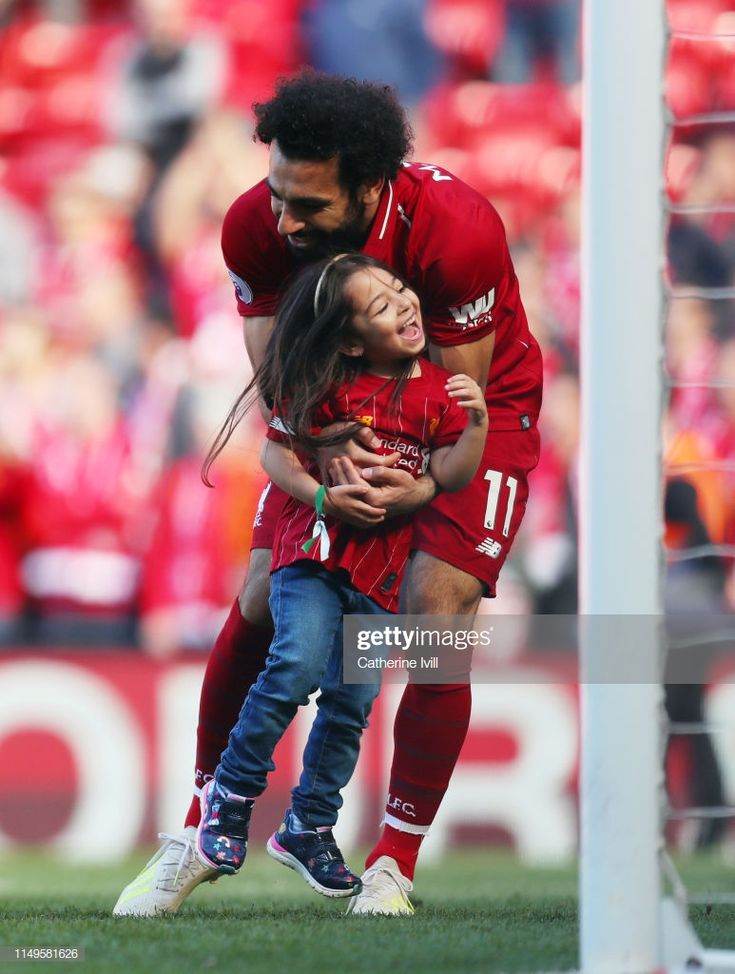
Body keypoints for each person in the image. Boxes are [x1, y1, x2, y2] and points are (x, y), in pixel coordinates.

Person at [113, 70, 542, 918]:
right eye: (277, 194)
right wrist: (319, 462)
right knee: (265, 594)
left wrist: (400, 488)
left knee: (432, 612)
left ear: (370, 188)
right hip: (331, 410)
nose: (283, 219)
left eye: (307, 206)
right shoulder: (254, 225)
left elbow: (453, 410)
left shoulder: (456, 232)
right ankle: (205, 825)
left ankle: (393, 861)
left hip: (471, 415)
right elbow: (274, 370)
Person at [191, 252, 486, 897]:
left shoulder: (439, 392)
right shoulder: (329, 387)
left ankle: (308, 825)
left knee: (352, 703)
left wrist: (471, 434)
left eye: (401, 291)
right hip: (314, 556)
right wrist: (322, 497)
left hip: (380, 574)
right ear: (352, 339)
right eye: (380, 306)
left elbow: (456, 475)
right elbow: (274, 451)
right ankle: (231, 794)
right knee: (295, 664)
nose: (404, 304)